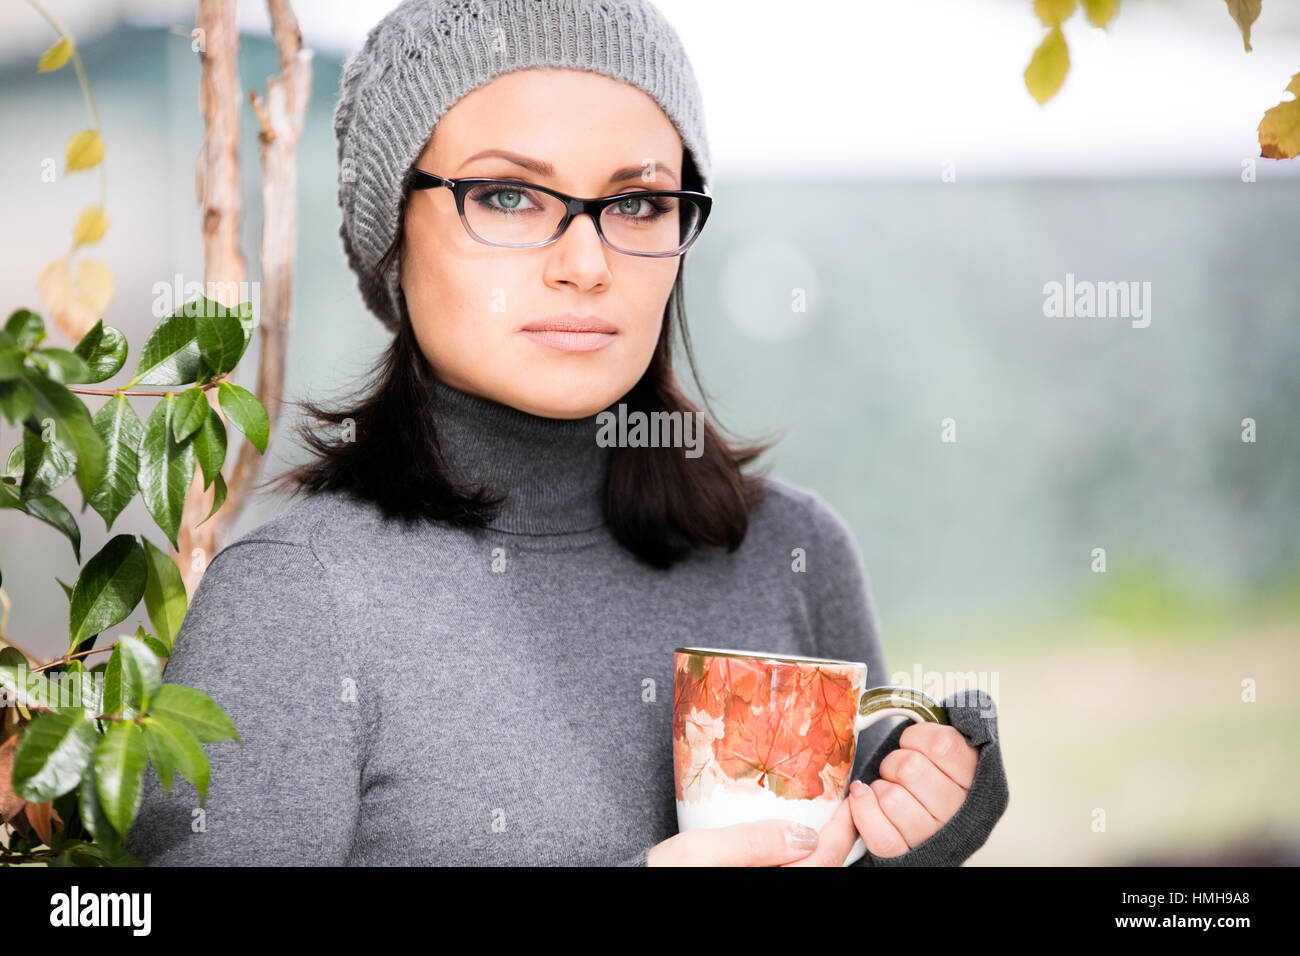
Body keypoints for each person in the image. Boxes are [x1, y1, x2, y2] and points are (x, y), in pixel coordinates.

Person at [125, 0, 1008, 867]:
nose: (586, 265)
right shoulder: (294, 603)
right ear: (391, 233)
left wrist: (917, 828)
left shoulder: (790, 553)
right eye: (508, 196)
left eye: (637, 204)